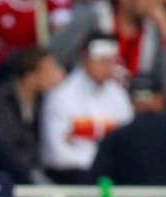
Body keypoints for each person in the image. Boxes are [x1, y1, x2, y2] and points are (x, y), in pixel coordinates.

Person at [39, 35, 133, 183]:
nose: (107, 67)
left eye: (111, 61)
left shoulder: (119, 96)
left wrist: (79, 139)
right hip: (70, 178)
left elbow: (127, 142)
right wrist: (102, 160)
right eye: (102, 60)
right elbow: (56, 153)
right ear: (86, 58)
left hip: (110, 176)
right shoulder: (61, 95)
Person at [0, 46, 65, 182]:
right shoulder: (2, 100)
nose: (59, 74)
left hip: (35, 170)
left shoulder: (45, 100)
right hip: (6, 173)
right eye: (51, 70)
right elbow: (6, 144)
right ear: (31, 77)